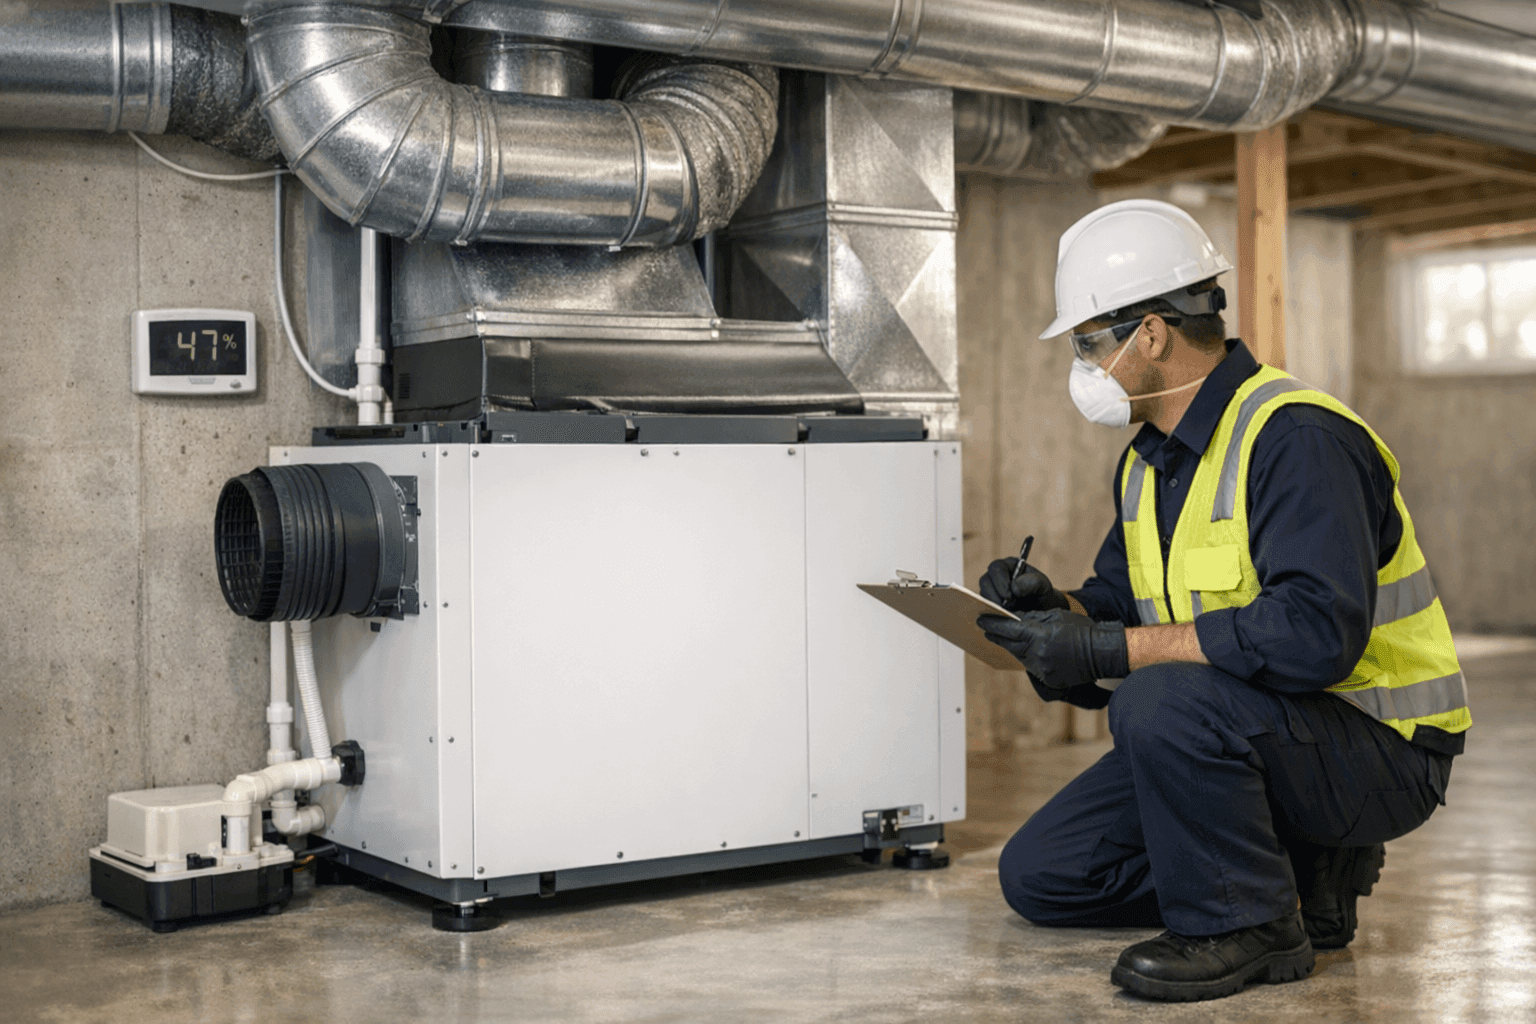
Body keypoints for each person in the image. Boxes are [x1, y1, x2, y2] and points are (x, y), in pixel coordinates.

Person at [977, 199, 1470, 1003]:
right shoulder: (1149, 462)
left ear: (1151, 334)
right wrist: (1055, 610)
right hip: (1270, 730)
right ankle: (1302, 877)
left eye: (1087, 341)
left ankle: (1246, 926)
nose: (1082, 363)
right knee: (1045, 874)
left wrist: (1111, 652)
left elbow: (1315, 635)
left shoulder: (1297, 438)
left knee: (1162, 699)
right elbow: (1125, 600)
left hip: (1382, 748)